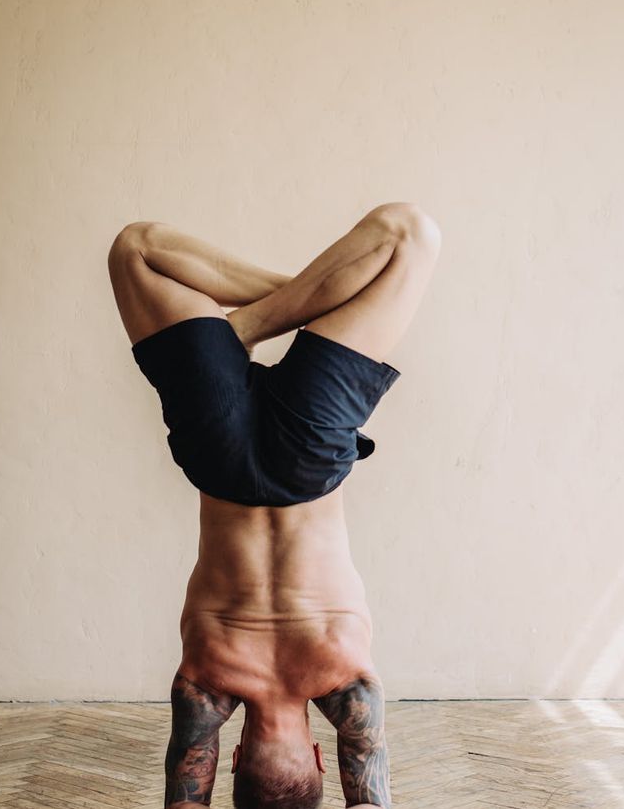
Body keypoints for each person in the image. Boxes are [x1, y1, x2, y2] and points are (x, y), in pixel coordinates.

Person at [107, 202, 441, 809]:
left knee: (407, 234)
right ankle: (268, 314)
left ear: (321, 756)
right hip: (219, 457)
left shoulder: (349, 687)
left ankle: (273, 313)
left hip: (307, 458)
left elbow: (370, 797)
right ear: (232, 759)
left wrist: (325, 299)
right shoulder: (205, 689)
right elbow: (185, 800)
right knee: (137, 249)